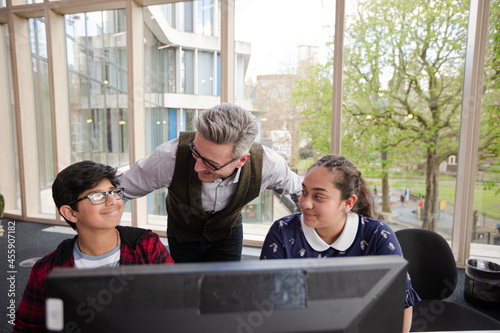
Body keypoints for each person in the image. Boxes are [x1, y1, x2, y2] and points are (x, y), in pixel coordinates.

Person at [118, 103, 302, 263]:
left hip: (228, 232)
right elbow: (119, 190)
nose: (197, 167)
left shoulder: (268, 165)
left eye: (210, 163)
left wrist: (307, 234)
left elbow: (301, 191)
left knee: (223, 294)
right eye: (195, 152)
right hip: (181, 232)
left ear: (241, 160)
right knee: (185, 290)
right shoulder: (169, 157)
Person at [260, 154, 420, 333]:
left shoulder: (378, 235)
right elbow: (268, 306)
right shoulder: (282, 231)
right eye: (304, 192)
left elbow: (401, 302)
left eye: (318, 196)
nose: (305, 203)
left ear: (348, 203)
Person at [15, 161, 174, 332]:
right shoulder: (46, 271)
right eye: (97, 196)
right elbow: (27, 329)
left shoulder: (147, 246)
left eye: (113, 192)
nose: (113, 201)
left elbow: (177, 306)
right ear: (70, 213)